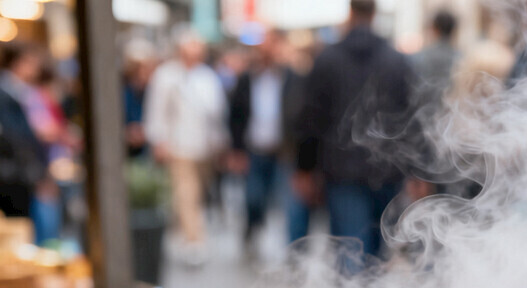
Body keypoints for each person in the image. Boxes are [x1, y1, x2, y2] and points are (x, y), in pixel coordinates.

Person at [295, 0, 417, 263]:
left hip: (342, 174)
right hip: (387, 172)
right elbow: (412, 119)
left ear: (350, 13)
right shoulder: (397, 60)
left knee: (350, 251)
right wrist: (419, 171)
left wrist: (304, 168)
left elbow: (310, 119)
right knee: (377, 254)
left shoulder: (327, 59)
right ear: (374, 14)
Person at [144, 29, 227, 265]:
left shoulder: (207, 76)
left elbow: (216, 113)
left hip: (204, 148)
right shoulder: (166, 75)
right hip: (178, 146)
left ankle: (187, 233)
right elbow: (157, 111)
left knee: (196, 195)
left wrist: (220, 142)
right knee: (186, 194)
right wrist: (159, 140)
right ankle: (194, 241)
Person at [228, 30, 298, 255]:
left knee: (283, 201)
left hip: (281, 151)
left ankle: (288, 247)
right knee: (253, 196)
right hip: (254, 149)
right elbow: (236, 115)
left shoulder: (292, 78)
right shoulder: (247, 79)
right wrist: (236, 150)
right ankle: (252, 226)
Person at [0, 42, 48, 222]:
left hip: (16, 174)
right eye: (31, 63)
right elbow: (15, 138)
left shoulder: (20, 91)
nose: (35, 69)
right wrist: (37, 173)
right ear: (18, 63)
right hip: (12, 176)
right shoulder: (7, 93)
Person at [411, 11, 459, 111]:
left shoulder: (419, 58)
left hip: (423, 115)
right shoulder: (462, 59)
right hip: (451, 116)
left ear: (434, 29)